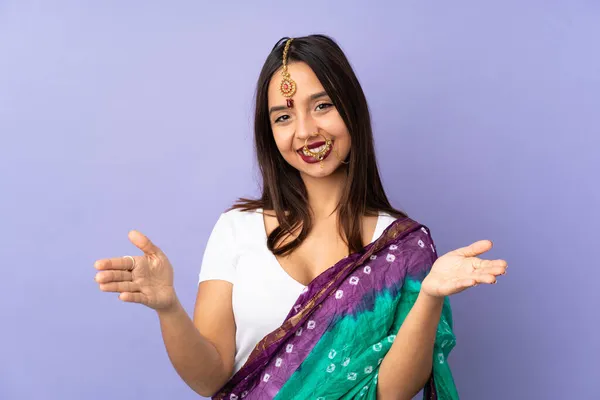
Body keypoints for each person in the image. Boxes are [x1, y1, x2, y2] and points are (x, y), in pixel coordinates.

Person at [93, 35, 507, 399]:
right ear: (270, 133)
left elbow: (391, 393)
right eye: (284, 116)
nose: (306, 131)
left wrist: (430, 296)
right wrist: (169, 309)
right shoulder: (237, 229)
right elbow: (210, 379)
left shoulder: (401, 247)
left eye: (322, 105)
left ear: (352, 110)